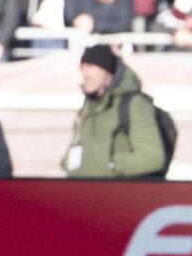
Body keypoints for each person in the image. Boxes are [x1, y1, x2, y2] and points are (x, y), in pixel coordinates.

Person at [62, 44, 167, 179]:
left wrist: (110, 165)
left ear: (107, 71)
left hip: (119, 194)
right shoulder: (88, 106)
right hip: (82, 192)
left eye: (91, 67)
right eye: (82, 68)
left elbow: (153, 157)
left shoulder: (134, 104)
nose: (85, 74)